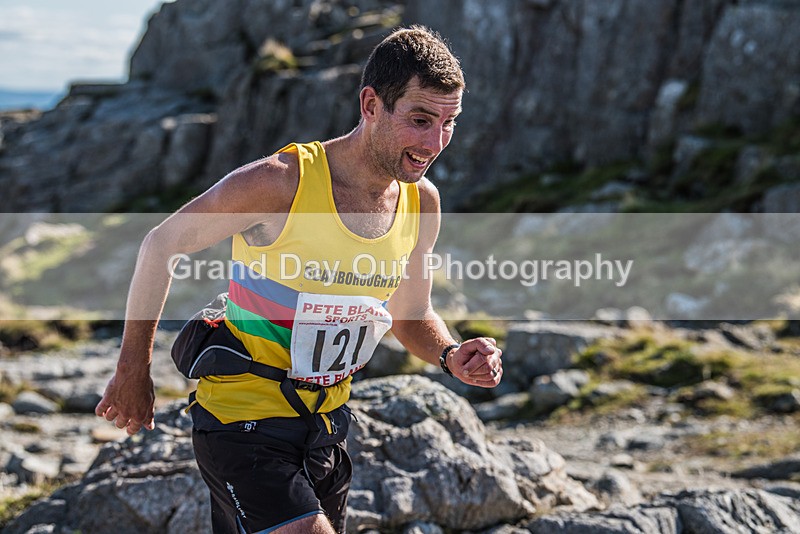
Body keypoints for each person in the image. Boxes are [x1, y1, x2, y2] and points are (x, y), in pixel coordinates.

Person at [95, 25, 503, 534]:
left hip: (324, 430)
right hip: (241, 420)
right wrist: (132, 370)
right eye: (420, 120)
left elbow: (412, 314)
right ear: (371, 105)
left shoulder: (422, 204)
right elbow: (161, 245)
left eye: (448, 123)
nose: (435, 142)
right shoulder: (280, 182)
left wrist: (450, 354)